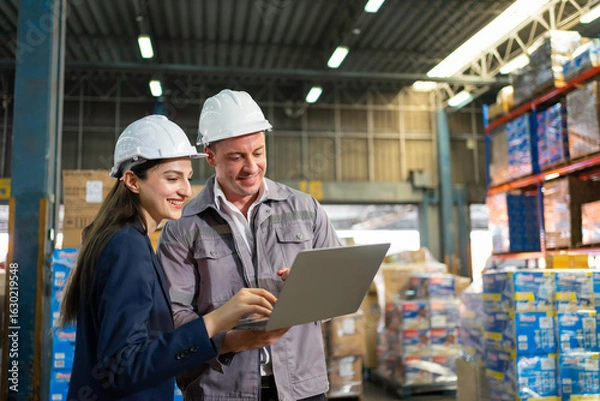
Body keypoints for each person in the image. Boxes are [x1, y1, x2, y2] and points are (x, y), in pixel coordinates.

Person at [59, 115, 278, 401]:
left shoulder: (124, 239)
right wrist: (218, 318)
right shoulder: (128, 247)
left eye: (187, 178)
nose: (185, 191)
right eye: (172, 178)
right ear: (132, 181)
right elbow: (124, 366)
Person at [157, 90, 342, 400]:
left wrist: (310, 290)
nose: (251, 166)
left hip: (301, 388)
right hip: (220, 390)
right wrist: (231, 341)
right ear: (211, 156)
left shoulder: (305, 209)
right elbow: (174, 316)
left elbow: (338, 290)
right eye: (236, 157)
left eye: (258, 152)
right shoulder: (183, 225)